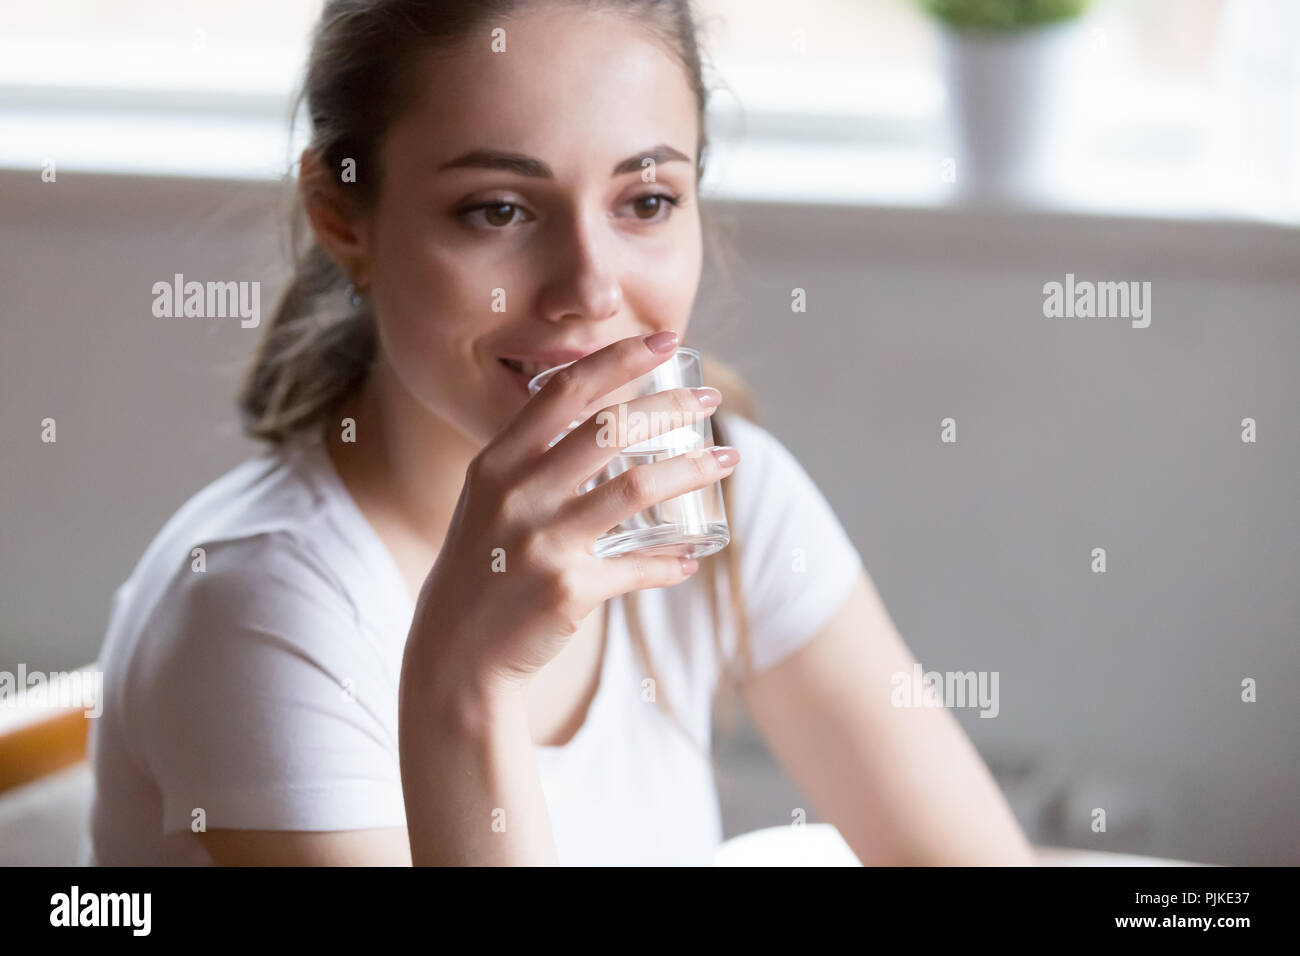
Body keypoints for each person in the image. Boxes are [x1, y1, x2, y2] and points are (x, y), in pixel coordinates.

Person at [85, 0, 1037, 866]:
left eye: (647, 201)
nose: (589, 288)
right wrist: (465, 686)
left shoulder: (719, 495)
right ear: (344, 218)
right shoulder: (263, 607)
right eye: (497, 209)